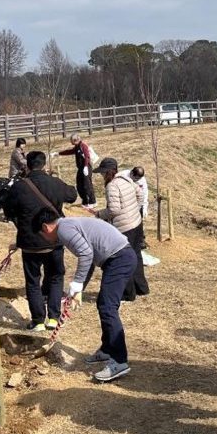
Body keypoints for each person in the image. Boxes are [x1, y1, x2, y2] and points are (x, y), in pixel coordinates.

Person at [33, 208, 138, 382]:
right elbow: (88, 257)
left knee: (107, 307)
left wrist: (77, 283)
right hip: (119, 257)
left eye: (42, 235)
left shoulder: (64, 229)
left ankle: (119, 361)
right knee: (103, 305)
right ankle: (107, 349)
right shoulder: (68, 226)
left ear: (45, 227)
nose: (46, 240)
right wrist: (78, 288)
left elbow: (86, 254)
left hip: (120, 258)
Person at [2, 151, 77, 331]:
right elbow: (72, 195)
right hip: (54, 239)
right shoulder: (54, 183)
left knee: (33, 281)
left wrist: (19, 223)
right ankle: (53, 317)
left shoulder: (19, 187)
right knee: (56, 277)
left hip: (30, 243)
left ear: (27, 165)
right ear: (44, 165)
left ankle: (37, 320)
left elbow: (7, 208)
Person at [94, 158, 149, 300]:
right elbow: (140, 194)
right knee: (136, 255)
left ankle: (128, 293)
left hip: (125, 228)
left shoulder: (111, 186)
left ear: (108, 172)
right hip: (137, 223)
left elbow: (114, 209)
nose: (101, 176)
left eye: (102, 173)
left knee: (125, 260)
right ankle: (141, 288)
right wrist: (134, 210)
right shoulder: (126, 179)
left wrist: (99, 214)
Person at [58, 134, 96, 209]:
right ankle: (85, 201)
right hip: (80, 168)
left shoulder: (83, 146)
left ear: (75, 140)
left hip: (86, 167)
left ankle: (93, 202)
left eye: (71, 141)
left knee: (87, 185)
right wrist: (58, 153)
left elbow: (87, 156)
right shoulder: (77, 147)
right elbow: (70, 151)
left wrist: (85, 166)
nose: (70, 142)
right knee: (79, 185)